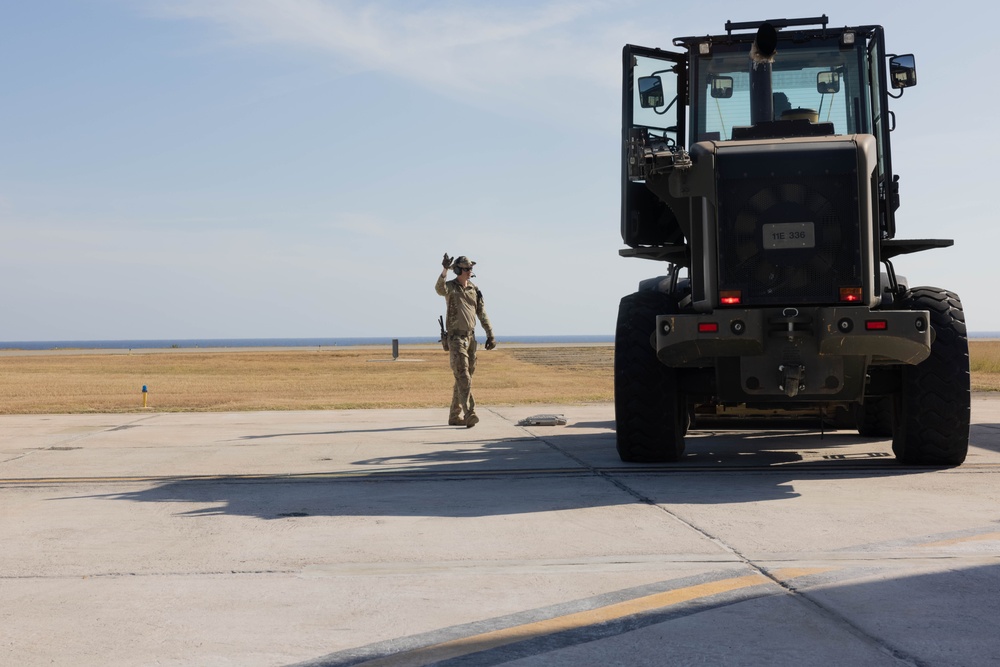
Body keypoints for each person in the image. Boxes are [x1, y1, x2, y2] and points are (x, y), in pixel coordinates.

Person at [435, 253, 496, 427]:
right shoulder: (450, 287)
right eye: (467, 268)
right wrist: (444, 270)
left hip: (471, 338)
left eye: (471, 268)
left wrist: (490, 334)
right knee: (464, 377)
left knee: (462, 378)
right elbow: (439, 289)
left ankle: (455, 416)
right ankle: (470, 413)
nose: (470, 271)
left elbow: (481, 313)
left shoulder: (474, 289)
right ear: (458, 270)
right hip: (456, 339)